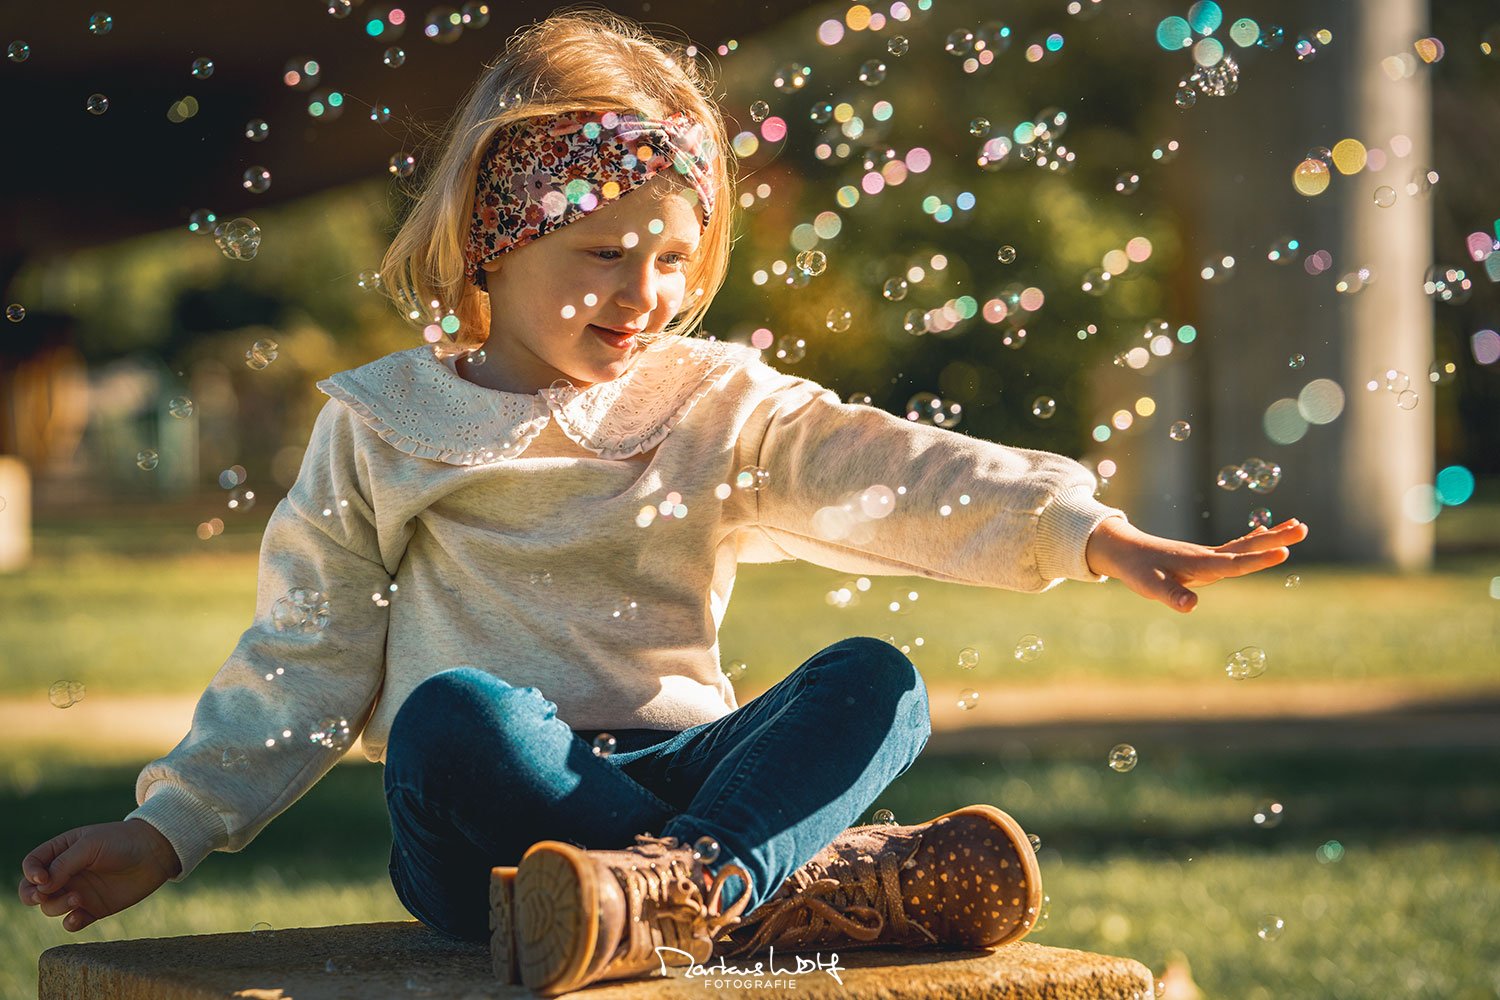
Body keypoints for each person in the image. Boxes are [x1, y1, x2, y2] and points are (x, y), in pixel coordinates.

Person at [17, 7, 1309, 995]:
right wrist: (167, 830)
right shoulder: (384, 425)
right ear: (491, 239)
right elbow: (302, 661)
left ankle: (702, 887)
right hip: (492, 844)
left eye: (674, 258)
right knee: (452, 717)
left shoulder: (709, 400)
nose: (643, 293)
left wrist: (1087, 531)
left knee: (878, 679)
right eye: (601, 254)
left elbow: (890, 469)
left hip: (688, 781)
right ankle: (785, 884)